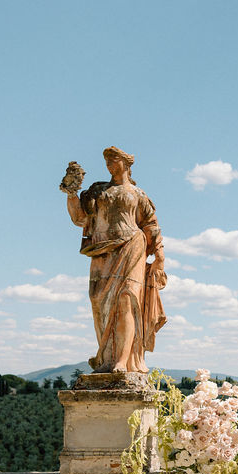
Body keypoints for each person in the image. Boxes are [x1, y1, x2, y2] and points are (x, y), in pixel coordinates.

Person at [64, 146, 167, 374]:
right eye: (107, 162)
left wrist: (159, 257)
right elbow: (80, 218)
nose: (110, 165)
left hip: (132, 247)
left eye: (114, 161)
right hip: (101, 250)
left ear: (127, 164)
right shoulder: (98, 191)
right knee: (98, 301)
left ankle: (122, 360)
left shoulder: (138, 194)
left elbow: (151, 225)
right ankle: (106, 358)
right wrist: (71, 193)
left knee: (126, 299)